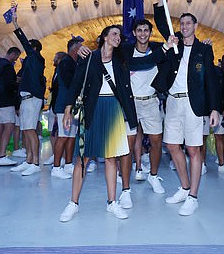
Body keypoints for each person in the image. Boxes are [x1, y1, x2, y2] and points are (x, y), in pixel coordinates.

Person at [59, 25, 174, 222]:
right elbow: (76, 82)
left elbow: (146, 61)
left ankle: (112, 202)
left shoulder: (122, 59)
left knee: (112, 158)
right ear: (104, 37)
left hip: (114, 108)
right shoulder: (89, 57)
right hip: (92, 108)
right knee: (82, 158)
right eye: (114, 34)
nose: (118, 38)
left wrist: (165, 47)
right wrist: (68, 107)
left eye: (120, 35)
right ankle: (73, 203)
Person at [153, 0, 221, 217]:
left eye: (188, 23)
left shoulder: (204, 49)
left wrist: (214, 108)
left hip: (194, 104)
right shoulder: (174, 45)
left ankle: (193, 196)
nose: (184, 27)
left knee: (193, 148)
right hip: (173, 102)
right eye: (181, 24)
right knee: (172, 145)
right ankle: (184, 187)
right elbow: (163, 25)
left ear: (195, 26)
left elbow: (211, 80)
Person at [123, 19, 169, 195]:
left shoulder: (158, 50)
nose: (143, 33)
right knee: (127, 145)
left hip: (151, 102)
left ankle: (154, 175)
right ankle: (126, 187)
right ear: (134, 33)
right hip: (131, 103)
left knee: (157, 142)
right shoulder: (126, 52)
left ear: (150, 33)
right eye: (139, 30)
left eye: (146, 30)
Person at [10, 11, 46, 176]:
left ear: (34, 48)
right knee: (26, 130)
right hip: (25, 99)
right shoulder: (30, 62)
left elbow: (23, 41)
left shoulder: (37, 58)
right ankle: (29, 160)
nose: (26, 49)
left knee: (30, 130)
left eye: (29, 46)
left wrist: (16, 24)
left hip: (32, 99)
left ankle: (35, 162)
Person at [51, 39, 84, 179]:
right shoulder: (66, 62)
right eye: (81, 47)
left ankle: (69, 164)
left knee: (71, 137)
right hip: (64, 105)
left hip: (72, 105)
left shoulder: (74, 63)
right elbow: (70, 84)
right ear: (75, 48)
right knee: (63, 137)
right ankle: (56, 167)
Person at [0, 47, 21, 166]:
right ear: (12, 54)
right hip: (7, 100)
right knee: (9, 127)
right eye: (16, 57)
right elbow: (9, 85)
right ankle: (2, 155)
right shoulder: (8, 67)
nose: (16, 60)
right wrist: (19, 84)